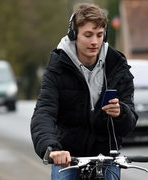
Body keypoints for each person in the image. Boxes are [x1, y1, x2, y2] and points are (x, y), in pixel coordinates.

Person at [30, 3, 138, 180]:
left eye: (99, 35)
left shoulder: (118, 68)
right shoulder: (57, 68)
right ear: (74, 35)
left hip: (106, 156)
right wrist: (52, 149)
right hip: (68, 156)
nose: (95, 41)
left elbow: (130, 121)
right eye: (88, 35)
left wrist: (121, 113)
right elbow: (43, 113)